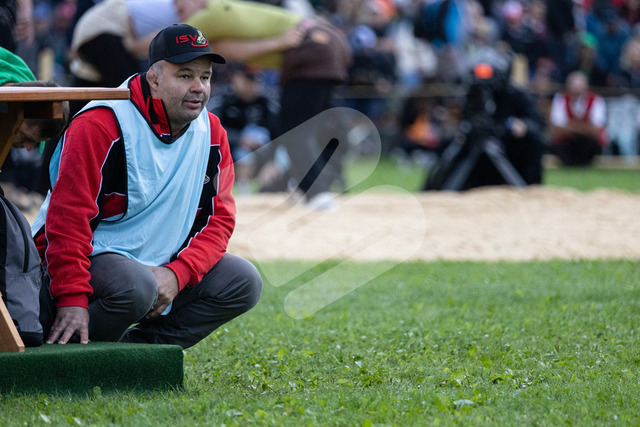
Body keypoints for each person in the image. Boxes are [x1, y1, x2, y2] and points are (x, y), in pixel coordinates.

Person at [31, 24, 262, 349]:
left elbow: (219, 220)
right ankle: (73, 353)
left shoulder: (213, 132)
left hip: (153, 267)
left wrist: (178, 273)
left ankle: (138, 353)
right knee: (136, 287)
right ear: (154, 79)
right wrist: (72, 297)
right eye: (185, 75)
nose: (198, 87)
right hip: (82, 264)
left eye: (205, 77)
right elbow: (68, 219)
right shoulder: (100, 123)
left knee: (243, 281)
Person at [174, 0, 352, 211]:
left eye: (180, 6)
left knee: (296, 131)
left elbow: (169, 39)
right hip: (328, 42)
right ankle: (310, 186)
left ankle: (318, 192)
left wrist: (278, 42)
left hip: (312, 47)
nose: (177, 12)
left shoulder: (211, 12)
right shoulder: (226, 13)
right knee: (313, 128)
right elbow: (227, 49)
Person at [424, 46, 545, 190]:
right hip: (475, 145)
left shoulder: (516, 95)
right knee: (447, 147)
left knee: (533, 141)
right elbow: (464, 119)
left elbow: (536, 123)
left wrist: (523, 125)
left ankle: (530, 190)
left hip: (508, 145)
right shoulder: (473, 95)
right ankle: (435, 190)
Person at [67, 0, 179, 114]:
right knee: (132, 88)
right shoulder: (181, 17)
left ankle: (66, 122)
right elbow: (138, 47)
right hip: (104, 27)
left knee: (94, 83)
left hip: (99, 26)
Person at [0, 46, 69, 209]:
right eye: (25, 136)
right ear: (14, 112)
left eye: (37, 142)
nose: (29, 148)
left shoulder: (26, 89)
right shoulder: (11, 102)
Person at [548, 70, 608, 166]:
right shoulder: (560, 98)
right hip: (567, 143)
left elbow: (596, 130)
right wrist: (584, 127)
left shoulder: (596, 100)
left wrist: (570, 127)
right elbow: (555, 129)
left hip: (587, 143)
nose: (576, 89)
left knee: (593, 144)